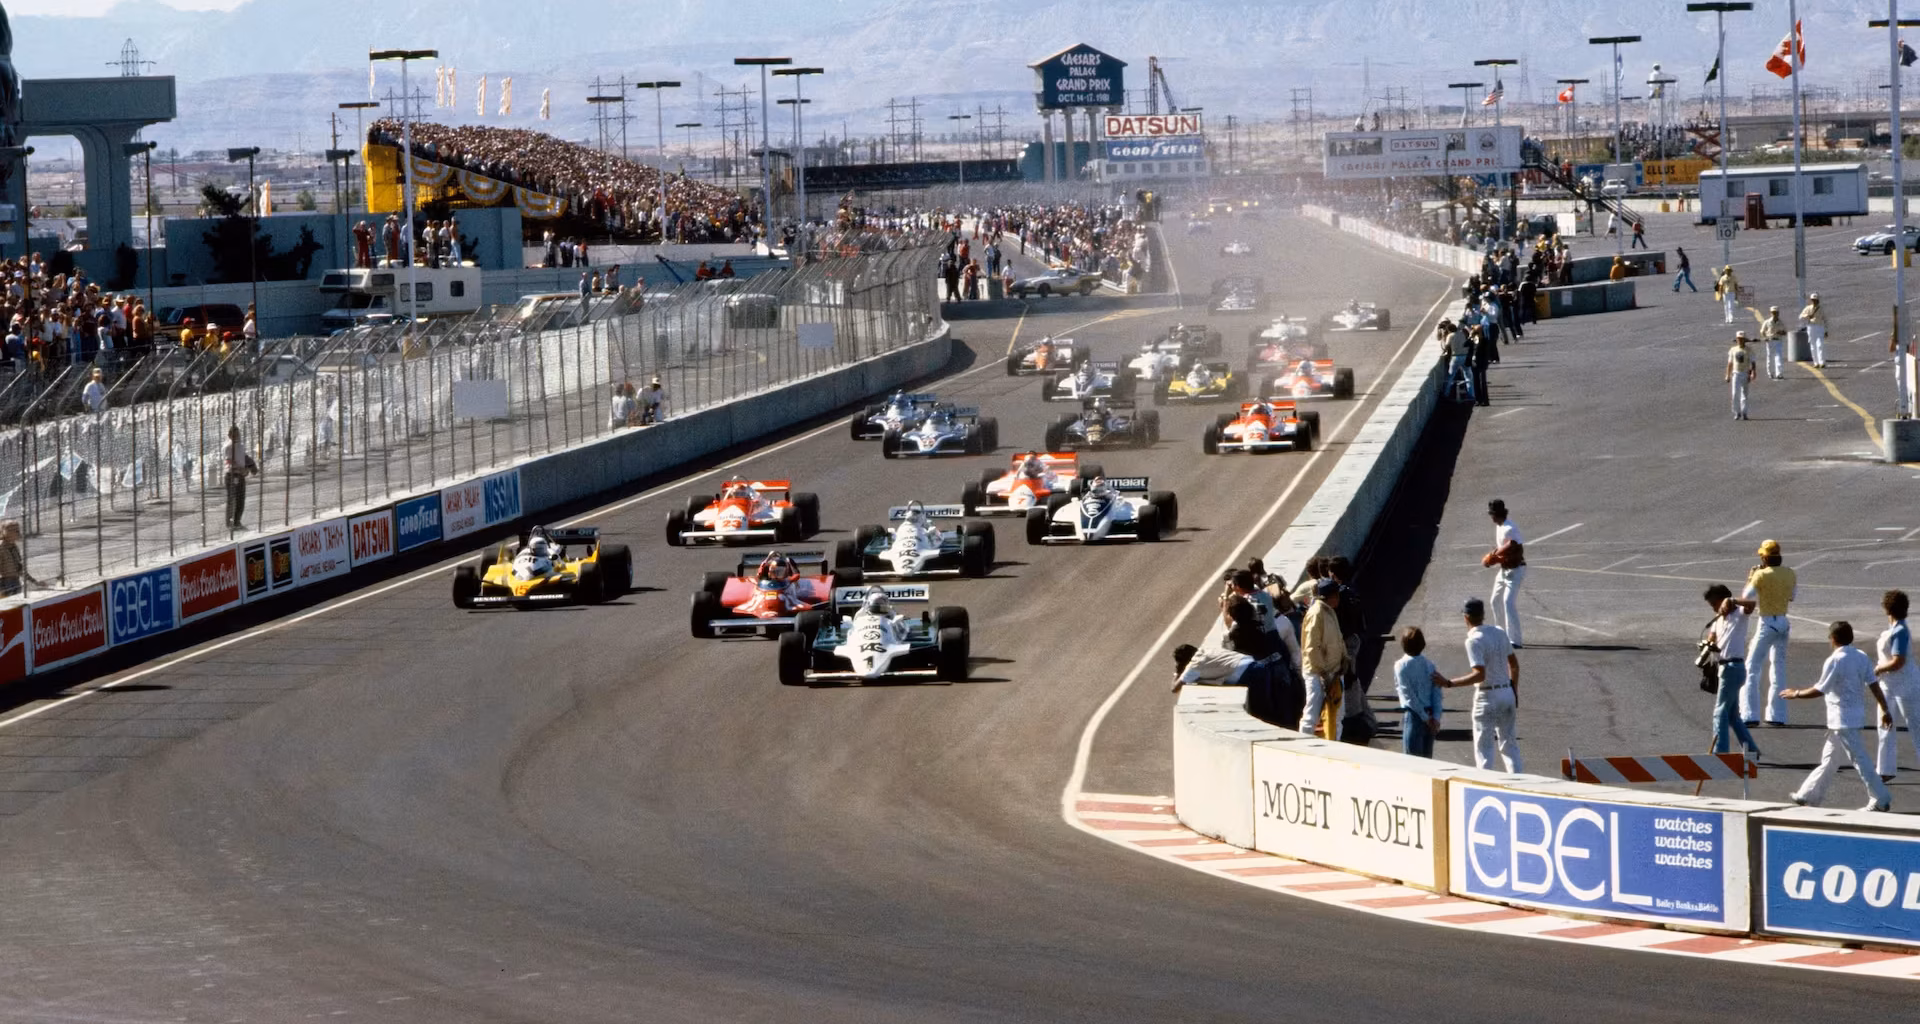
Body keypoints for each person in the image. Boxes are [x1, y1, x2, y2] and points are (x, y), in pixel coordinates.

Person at [1783, 621, 1894, 811]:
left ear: (1833, 639)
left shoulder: (1835, 660)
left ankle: (1880, 798)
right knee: (1829, 760)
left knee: (1860, 761)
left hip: (1842, 720)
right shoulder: (1861, 656)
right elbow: (1873, 684)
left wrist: (1796, 694)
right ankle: (1808, 795)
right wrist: (1884, 708)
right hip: (1851, 718)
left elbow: (1820, 689)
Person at [1449, 597, 1522, 772]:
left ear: (1466, 617)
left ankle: (1484, 784)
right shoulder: (1499, 632)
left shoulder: (1473, 640)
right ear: (1483, 615)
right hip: (1506, 691)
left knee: (1484, 748)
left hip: (1487, 696)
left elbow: (1479, 675)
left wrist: (1450, 683)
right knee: (1509, 744)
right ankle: (1519, 782)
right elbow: (1514, 664)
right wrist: (1514, 690)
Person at [1743, 539, 1799, 726]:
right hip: (1783, 621)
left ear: (1765, 557)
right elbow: (1792, 596)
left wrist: (1751, 578)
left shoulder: (1761, 574)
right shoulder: (1790, 573)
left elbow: (1747, 597)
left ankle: (1749, 714)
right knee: (1778, 667)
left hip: (1767, 621)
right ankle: (1777, 715)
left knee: (1752, 667)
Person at [1703, 584, 1762, 759]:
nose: (1714, 608)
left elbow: (1752, 604)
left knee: (1719, 712)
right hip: (1724, 667)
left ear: (1724, 600)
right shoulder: (1718, 619)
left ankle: (1720, 753)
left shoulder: (1739, 614)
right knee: (1732, 715)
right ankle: (1752, 750)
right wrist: (1709, 643)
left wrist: (1733, 600)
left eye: (1715, 604)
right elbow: (1712, 637)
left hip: (1733, 667)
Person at [1874, 590, 1920, 781]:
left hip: (1905, 684)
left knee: (1916, 725)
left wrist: (1877, 670)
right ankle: (1884, 770)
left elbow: (1898, 661)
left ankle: (1885, 770)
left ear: (1887, 609)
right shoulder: (1895, 629)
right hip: (1889, 684)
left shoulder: (1899, 631)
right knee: (1884, 725)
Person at [1299, 578, 1347, 740]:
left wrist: (1344, 661)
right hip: (1318, 674)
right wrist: (1323, 674)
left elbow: (1338, 640)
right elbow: (1311, 648)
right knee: (1311, 714)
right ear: (1330, 596)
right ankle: (1303, 745)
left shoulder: (1328, 611)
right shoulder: (1316, 613)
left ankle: (1335, 744)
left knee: (1337, 714)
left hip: (1334, 672)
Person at [1393, 626, 1449, 758]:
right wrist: (1435, 717)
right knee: (1427, 759)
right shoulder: (1429, 665)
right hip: (1430, 712)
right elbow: (1436, 693)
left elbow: (1409, 697)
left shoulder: (1401, 666)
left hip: (1415, 715)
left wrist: (1424, 718)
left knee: (1412, 760)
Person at [1483, 499, 1526, 648]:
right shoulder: (1499, 526)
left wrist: (1496, 556)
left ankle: (1515, 640)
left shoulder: (1510, 528)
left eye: (1492, 514)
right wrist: (1493, 556)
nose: (1491, 518)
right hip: (1504, 570)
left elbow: (1517, 547)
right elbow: (1501, 547)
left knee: (1508, 602)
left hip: (1516, 570)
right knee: (1495, 600)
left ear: (1498, 514)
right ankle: (1501, 635)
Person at [1170, 642, 1255, 692]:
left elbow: (1174, 688)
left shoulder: (1194, 666)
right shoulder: (1205, 651)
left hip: (1244, 674)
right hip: (1251, 662)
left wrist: (1177, 673)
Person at [0, 519, 48, 597]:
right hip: (5, 583)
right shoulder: (1, 547)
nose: (18, 533)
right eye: (15, 530)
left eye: (18, 530)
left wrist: (35, 582)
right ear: (6, 532)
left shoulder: (14, 546)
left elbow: (20, 568)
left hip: (15, 581)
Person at [223, 425, 256, 533]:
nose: (237, 436)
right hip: (232, 475)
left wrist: (251, 466)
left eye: (238, 433)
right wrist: (241, 469)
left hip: (240, 475)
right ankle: (230, 522)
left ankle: (237, 521)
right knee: (232, 499)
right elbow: (229, 461)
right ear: (230, 435)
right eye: (234, 434)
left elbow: (244, 457)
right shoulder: (228, 446)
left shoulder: (240, 446)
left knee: (241, 499)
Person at [1726, 331, 1755, 421]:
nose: (1740, 340)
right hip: (1736, 373)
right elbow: (1730, 363)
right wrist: (1727, 374)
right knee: (1735, 393)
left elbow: (1752, 362)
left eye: (1742, 339)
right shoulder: (1733, 350)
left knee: (1744, 394)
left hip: (1745, 373)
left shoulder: (1749, 350)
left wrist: (1753, 372)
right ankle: (1736, 412)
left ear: (1744, 340)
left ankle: (1744, 412)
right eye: (1739, 339)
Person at [1759, 306, 1788, 380]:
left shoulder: (1781, 322)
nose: (1774, 314)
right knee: (1770, 357)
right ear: (1771, 313)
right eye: (1773, 313)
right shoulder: (1767, 322)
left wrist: (1781, 332)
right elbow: (1762, 331)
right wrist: (1765, 338)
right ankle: (1770, 373)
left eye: (1776, 312)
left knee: (1778, 357)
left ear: (1778, 313)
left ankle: (1779, 373)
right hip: (1770, 341)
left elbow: (1785, 332)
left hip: (1778, 340)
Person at [1800, 292, 1827, 369]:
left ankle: (1822, 362)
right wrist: (1807, 316)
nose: (1814, 301)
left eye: (1815, 299)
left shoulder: (1821, 309)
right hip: (1811, 327)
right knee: (1812, 345)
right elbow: (1801, 317)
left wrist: (1826, 330)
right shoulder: (1808, 308)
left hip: (1820, 327)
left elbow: (1825, 319)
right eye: (1813, 300)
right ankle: (1816, 362)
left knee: (1820, 345)